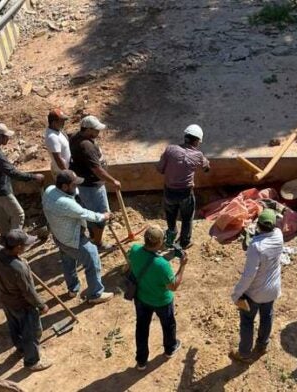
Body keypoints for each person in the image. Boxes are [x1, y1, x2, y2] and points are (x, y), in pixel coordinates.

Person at [0, 229, 52, 371]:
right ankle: (32, 361)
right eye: (25, 245)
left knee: (14, 326)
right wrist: (41, 305)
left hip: (6, 300)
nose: (27, 247)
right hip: (23, 304)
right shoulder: (19, 268)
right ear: (18, 247)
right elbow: (28, 293)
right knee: (32, 332)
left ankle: (21, 349)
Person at [42, 170, 114, 304]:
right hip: (72, 239)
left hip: (59, 235)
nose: (76, 187)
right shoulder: (65, 203)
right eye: (74, 185)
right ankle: (95, 294)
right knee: (92, 257)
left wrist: (75, 191)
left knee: (68, 261)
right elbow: (86, 214)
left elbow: (74, 197)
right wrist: (104, 216)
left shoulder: (50, 190)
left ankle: (72, 289)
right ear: (64, 187)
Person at [128, 226, 186, 370]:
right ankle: (170, 348)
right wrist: (182, 266)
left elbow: (135, 261)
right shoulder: (162, 265)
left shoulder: (134, 250)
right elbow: (173, 286)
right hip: (162, 301)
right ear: (160, 242)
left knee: (141, 328)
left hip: (141, 298)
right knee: (168, 325)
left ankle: (141, 361)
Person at [229, 208, 283, 363]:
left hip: (255, 293)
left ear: (258, 225)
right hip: (273, 289)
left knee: (247, 321)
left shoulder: (256, 246)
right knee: (267, 316)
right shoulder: (279, 236)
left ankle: (244, 353)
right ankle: (262, 344)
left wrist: (236, 294)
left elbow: (249, 275)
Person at [0, 123, 44, 236]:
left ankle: (5, 236)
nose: (9, 138)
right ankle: (14, 241)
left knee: (2, 215)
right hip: (2, 190)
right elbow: (13, 173)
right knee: (19, 214)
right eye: (6, 136)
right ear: (0, 137)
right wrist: (34, 177)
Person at [69, 115, 121, 249]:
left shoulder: (76, 137)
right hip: (92, 186)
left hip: (84, 184)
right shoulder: (86, 145)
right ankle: (98, 243)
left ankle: (92, 237)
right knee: (101, 215)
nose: (98, 132)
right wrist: (113, 181)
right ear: (87, 129)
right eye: (96, 130)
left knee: (90, 213)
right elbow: (97, 169)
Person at [156, 124, 210, 249]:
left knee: (170, 215)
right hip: (186, 193)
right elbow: (206, 167)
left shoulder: (170, 150)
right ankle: (184, 242)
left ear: (185, 136)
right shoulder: (198, 155)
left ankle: (170, 237)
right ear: (197, 141)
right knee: (186, 218)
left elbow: (160, 169)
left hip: (169, 191)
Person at [44, 108, 71, 177]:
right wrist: (67, 174)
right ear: (54, 122)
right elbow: (58, 159)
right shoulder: (52, 137)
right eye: (61, 121)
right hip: (62, 173)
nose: (63, 123)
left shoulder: (57, 131)